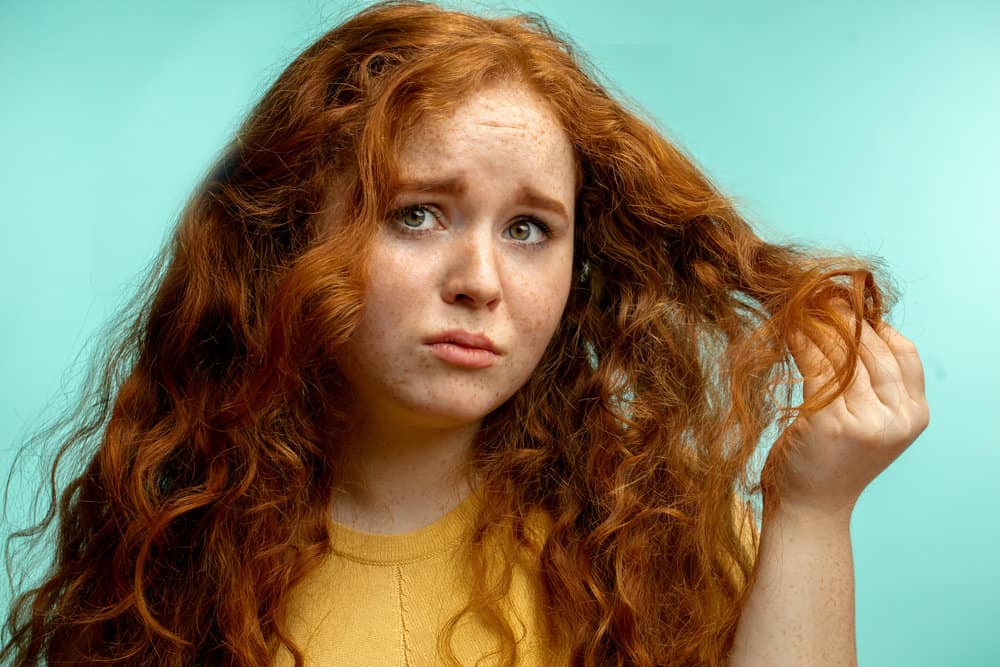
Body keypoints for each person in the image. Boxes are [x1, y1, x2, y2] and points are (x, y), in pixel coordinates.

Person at [2, 1, 929, 665]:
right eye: (416, 214)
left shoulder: (661, 539)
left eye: (529, 229)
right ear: (288, 234)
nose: (481, 282)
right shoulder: (170, 539)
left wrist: (813, 512)